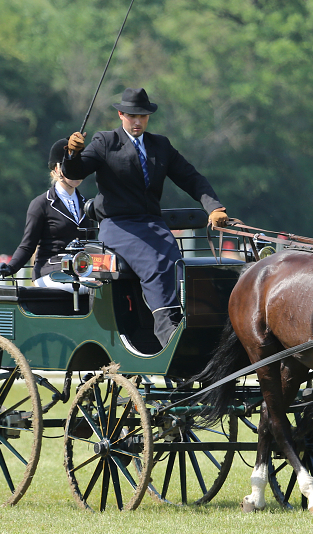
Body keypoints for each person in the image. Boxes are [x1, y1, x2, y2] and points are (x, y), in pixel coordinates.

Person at [63, 87, 229, 345]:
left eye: (143, 116)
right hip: (117, 226)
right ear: (121, 114)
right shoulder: (105, 142)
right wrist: (72, 154)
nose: (138, 121)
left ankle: (193, 325)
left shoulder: (160, 145)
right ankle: (168, 332)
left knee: (177, 264)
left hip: (152, 225)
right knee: (154, 263)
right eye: (132, 115)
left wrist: (214, 207)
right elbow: (76, 173)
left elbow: (191, 177)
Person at [0, 138, 89, 289]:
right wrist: (11, 267)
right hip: (50, 270)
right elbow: (27, 246)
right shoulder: (41, 204)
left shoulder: (87, 204)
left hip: (82, 270)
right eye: (71, 165)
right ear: (57, 169)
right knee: (84, 287)